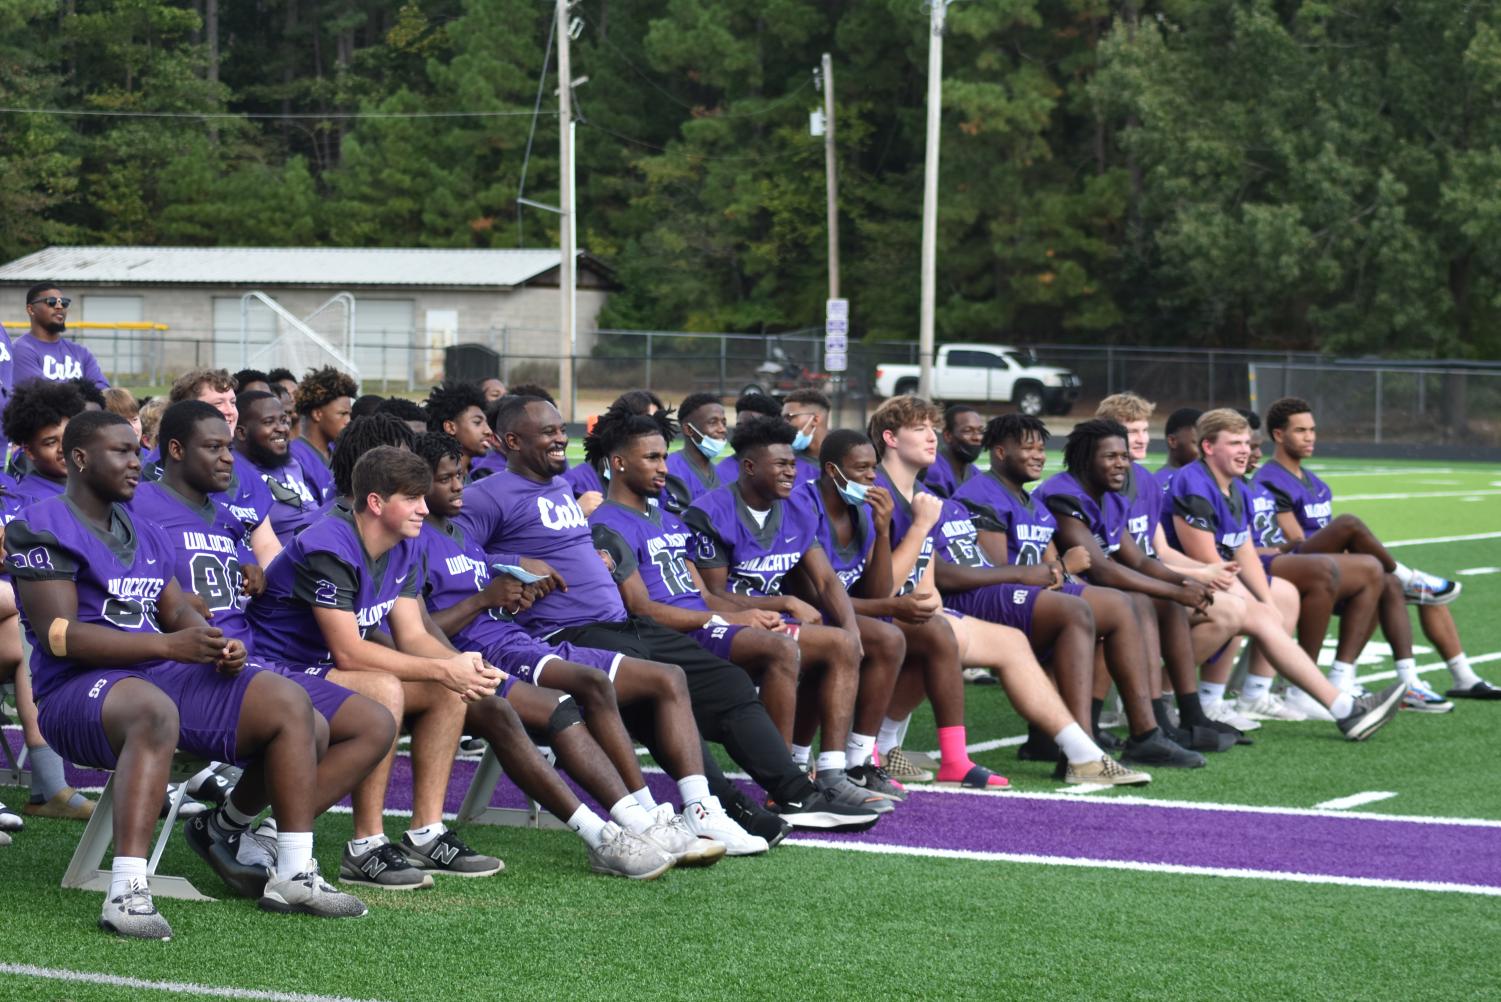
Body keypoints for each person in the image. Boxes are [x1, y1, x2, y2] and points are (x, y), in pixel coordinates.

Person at [7, 410, 366, 938]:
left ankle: (292, 872)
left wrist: (214, 643)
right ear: (79, 459)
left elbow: (177, 611)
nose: (136, 462)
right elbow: (61, 635)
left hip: (156, 672)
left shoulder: (146, 533)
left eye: (137, 451)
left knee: (297, 711)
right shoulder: (41, 522)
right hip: (76, 690)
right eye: (121, 452)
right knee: (152, 712)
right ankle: (127, 890)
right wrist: (169, 644)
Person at [457, 395, 880, 832]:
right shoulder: (486, 495)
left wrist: (593, 554)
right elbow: (456, 555)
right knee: (663, 687)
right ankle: (720, 807)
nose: (562, 437)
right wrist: (513, 564)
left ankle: (795, 793)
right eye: (548, 432)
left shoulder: (562, 488)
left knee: (728, 681)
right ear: (511, 440)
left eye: (561, 429)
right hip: (568, 633)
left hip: (624, 624)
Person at [413, 431, 751, 861]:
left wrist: (516, 588)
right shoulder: (415, 541)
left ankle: (653, 815)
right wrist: (485, 598)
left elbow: (488, 581)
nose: (460, 486)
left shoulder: (463, 535)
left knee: (633, 679)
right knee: (575, 697)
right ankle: (632, 823)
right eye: (447, 480)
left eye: (460, 475)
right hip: (488, 654)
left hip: (512, 638)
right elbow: (420, 627)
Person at [132, 401, 395, 897]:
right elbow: (127, 587)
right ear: (174, 450)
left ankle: (227, 824)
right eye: (213, 448)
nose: (228, 459)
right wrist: (175, 606)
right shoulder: (140, 505)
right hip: (185, 666)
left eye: (228, 447)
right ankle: (291, 870)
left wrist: (251, 567)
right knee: (306, 724)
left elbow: (232, 566)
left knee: (374, 724)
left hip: (249, 658)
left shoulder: (224, 511)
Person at [247, 446, 506, 890]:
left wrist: (462, 666)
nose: (425, 509)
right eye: (413, 498)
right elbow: (349, 652)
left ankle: (427, 831)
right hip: (276, 669)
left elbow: (413, 636)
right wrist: (442, 669)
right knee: (385, 688)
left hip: (323, 671)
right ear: (375, 502)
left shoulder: (404, 543)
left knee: (446, 689)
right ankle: (365, 845)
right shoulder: (328, 542)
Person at [868, 395, 1146, 784]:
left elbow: (928, 575)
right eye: (920, 430)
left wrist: (931, 598)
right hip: (877, 610)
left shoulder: (923, 495)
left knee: (1010, 641)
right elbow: (877, 582)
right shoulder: (877, 492)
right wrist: (1022, 574)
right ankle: (888, 753)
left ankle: (1083, 754)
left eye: (932, 429)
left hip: (930, 606)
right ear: (890, 438)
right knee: (1072, 612)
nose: (933, 438)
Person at [798, 429, 1041, 789]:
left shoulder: (863, 512)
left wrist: (882, 531)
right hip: (814, 613)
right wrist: (892, 606)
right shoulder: (806, 507)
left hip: (857, 608)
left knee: (936, 628)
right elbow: (818, 598)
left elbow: (877, 587)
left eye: (873, 467)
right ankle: (852, 759)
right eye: (862, 468)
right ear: (833, 471)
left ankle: (952, 760)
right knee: (886, 638)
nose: (871, 476)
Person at [957, 413, 1204, 765]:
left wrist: (1180, 582)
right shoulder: (984, 494)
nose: (1039, 455)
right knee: (1114, 606)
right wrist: (1059, 571)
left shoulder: (1034, 505)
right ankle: (1128, 736)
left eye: (1042, 448)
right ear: (999, 452)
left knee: (1112, 608)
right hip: (988, 601)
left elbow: (1063, 570)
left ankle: (1056, 737)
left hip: (1027, 597)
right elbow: (998, 575)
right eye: (1028, 448)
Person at [683, 416, 892, 813]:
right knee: (827, 645)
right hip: (722, 628)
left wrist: (853, 634)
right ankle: (789, 779)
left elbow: (828, 582)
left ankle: (826, 771)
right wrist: (781, 603)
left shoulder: (796, 509)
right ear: (749, 467)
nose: (790, 472)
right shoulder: (710, 512)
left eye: (793, 464)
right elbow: (711, 595)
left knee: (841, 645)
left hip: (773, 624)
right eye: (780, 464)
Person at [1165, 409, 1408, 739]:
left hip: (1207, 578)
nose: (1245, 450)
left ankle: (1256, 695)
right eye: (1234, 443)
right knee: (1247, 611)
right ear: (1208, 447)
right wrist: (1253, 604)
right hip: (1178, 581)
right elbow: (1207, 560)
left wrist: (1265, 601)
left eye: (1246, 443)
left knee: (1279, 597)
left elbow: (1244, 549)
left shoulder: (1234, 487)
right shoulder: (1194, 483)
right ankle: (1166, 693)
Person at [1255, 396, 1494, 702]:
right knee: (1350, 526)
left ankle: (1436, 678)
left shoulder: (1317, 483)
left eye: (1312, 430)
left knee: (1390, 581)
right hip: (1299, 567)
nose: (1310, 437)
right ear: (1278, 435)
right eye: (1301, 431)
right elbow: (1297, 541)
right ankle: (1411, 580)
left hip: (1328, 564)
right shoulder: (1269, 479)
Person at [1236, 409, 1426, 718]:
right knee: (1335, 553)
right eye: (1243, 445)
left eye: (1253, 446)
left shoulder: (1271, 485)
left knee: (1376, 573)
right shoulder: (1257, 480)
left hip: (1283, 559)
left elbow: (1272, 538)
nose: (1252, 452)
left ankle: (1353, 677)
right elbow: (1239, 545)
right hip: (1260, 567)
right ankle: (1293, 689)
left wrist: (1277, 548)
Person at [233, 391, 324, 546]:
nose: (281, 428)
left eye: (283, 420)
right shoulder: (234, 473)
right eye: (269, 422)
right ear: (241, 432)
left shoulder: (293, 464)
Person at [5, 379, 88, 507]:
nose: (64, 447)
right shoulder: (28, 502)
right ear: (29, 451)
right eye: (51, 442)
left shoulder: (97, 484)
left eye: (70, 435)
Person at [13, 284, 109, 391]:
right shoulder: (20, 349)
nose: (59, 306)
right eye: (51, 302)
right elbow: (41, 393)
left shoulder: (80, 352)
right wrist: (86, 393)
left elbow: (102, 388)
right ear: (31, 309)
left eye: (64, 302)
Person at [289, 366, 357, 500]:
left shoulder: (340, 452)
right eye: (342, 414)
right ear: (317, 414)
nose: (348, 421)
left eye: (349, 414)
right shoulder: (293, 458)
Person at [668, 392, 728, 507]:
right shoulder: (671, 470)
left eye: (723, 423)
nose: (722, 429)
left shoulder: (720, 474)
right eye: (713, 422)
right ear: (689, 429)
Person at [423, 380, 494, 472]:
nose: (488, 431)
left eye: (486, 423)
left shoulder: (481, 476)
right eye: (477, 422)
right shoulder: (430, 480)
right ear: (450, 427)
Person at [714, 392, 783, 483]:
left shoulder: (788, 469)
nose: (744, 431)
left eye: (751, 426)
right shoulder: (722, 473)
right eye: (740, 426)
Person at [922, 404, 983, 498]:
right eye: (967, 431)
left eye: (980, 431)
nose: (977, 437)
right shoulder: (933, 472)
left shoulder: (975, 473)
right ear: (948, 436)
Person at [779, 388, 832, 485]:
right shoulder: (784, 462)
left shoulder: (845, 461)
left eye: (789, 417)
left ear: (815, 419)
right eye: (782, 418)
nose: (784, 423)